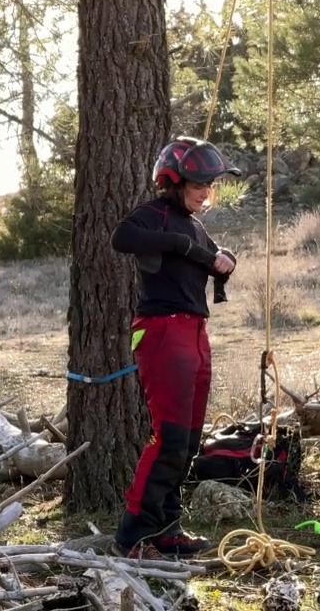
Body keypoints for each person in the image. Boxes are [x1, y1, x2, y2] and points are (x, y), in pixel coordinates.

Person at [110, 136, 241, 559]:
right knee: (168, 437)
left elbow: (205, 254)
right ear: (174, 181)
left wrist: (223, 258)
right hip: (162, 331)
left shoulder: (194, 223)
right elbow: (122, 237)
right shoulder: (154, 213)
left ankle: (167, 530)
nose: (206, 193)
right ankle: (134, 535)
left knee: (187, 441)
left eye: (210, 186)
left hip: (194, 333)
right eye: (199, 185)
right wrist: (184, 247)